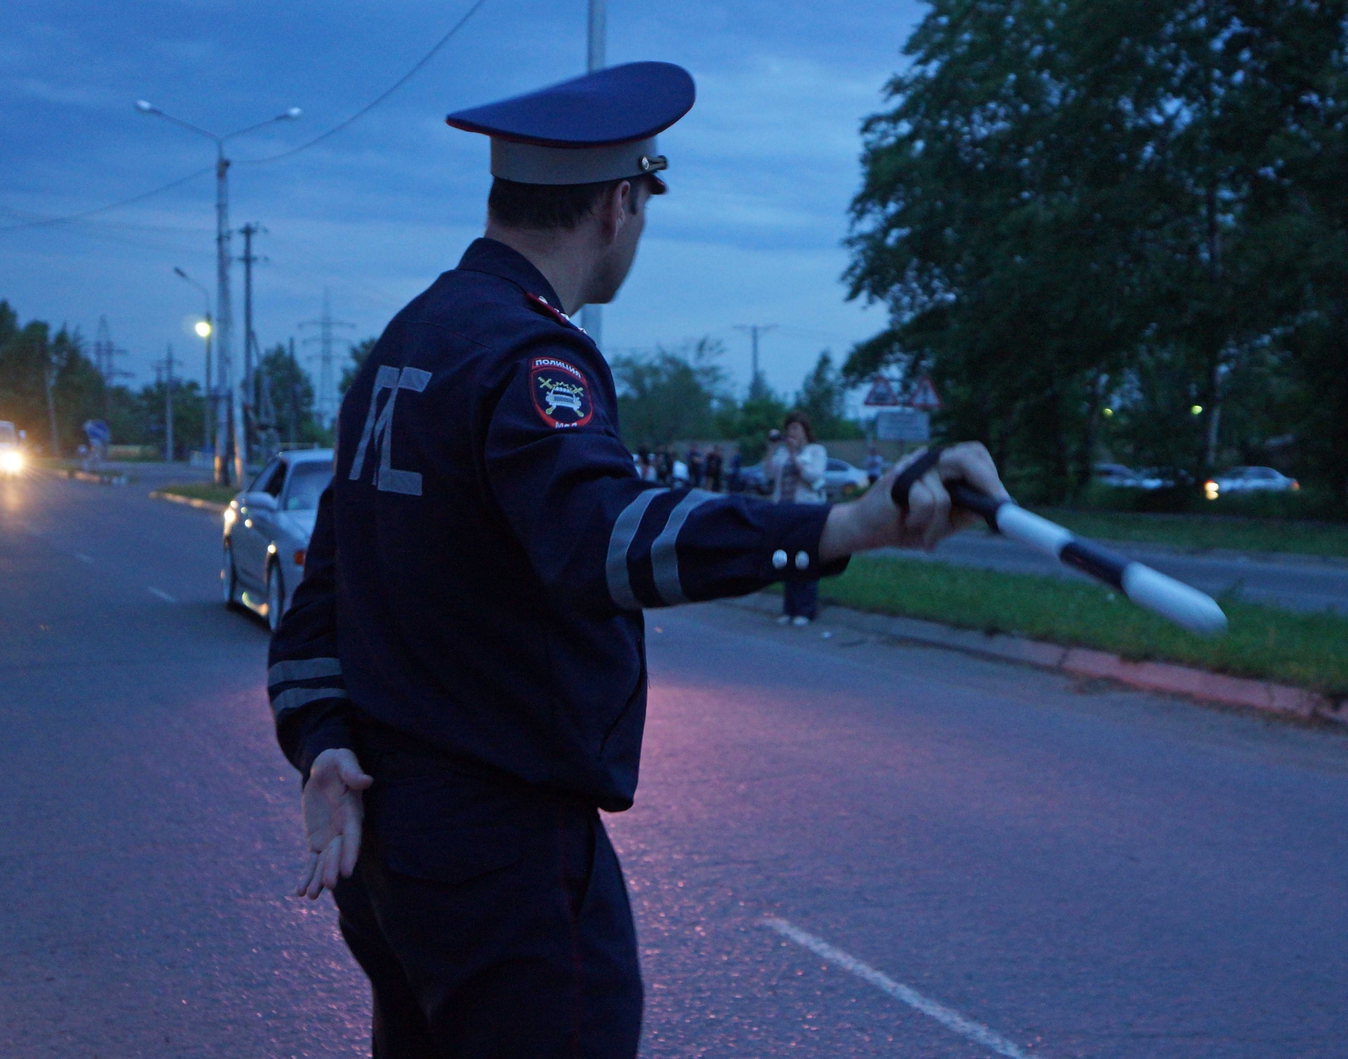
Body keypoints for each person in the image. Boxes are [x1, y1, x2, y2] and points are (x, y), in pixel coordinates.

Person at [266, 60, 1009, 1059]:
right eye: (646, 200)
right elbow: (603, 540)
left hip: (385, 832)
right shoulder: (533, 358)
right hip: (500, 849)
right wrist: (840, 527)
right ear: (619, 203)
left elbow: (322, 589)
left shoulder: (407, 342)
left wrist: (320, 738)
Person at [767, 410, 828, 625]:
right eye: (788, 429)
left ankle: (805, 609)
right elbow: (769, 474)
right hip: (783, 510)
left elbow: (814, 476)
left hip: (806, 511)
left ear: (804, 431)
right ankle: (789, 609)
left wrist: (795, 455)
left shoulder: (816, 451)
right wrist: (772, 448)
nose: (791, 432)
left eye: (795, 428)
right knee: (785, 560)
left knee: (805, 558)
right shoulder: (782, 453)